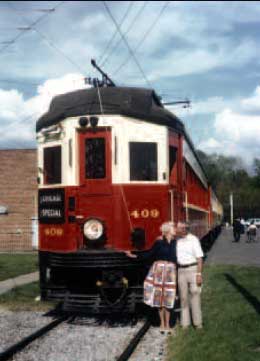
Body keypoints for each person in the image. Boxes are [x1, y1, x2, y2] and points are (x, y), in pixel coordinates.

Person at [125, 222, 177, 334]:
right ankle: (162, 324)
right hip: (158, 272)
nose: (175, 230)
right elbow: (149, 254)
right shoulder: (159, 242)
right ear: (167, 230)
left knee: (168, 300)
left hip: (170, 272)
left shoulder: (175, 243)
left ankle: (168, 325)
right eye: (173, 228)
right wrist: (134, 256)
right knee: (159, 300)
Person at [176, 221, 204, 329]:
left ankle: (198, 323)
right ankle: (185, 323)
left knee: (195, 295)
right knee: (183, 298)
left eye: (177, 228)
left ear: (184, 229)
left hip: (193, 269)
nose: (176, 229)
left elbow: (199, 258)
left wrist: (199, 274)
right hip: (181, 271)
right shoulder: (177, 240)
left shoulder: (194, 240)